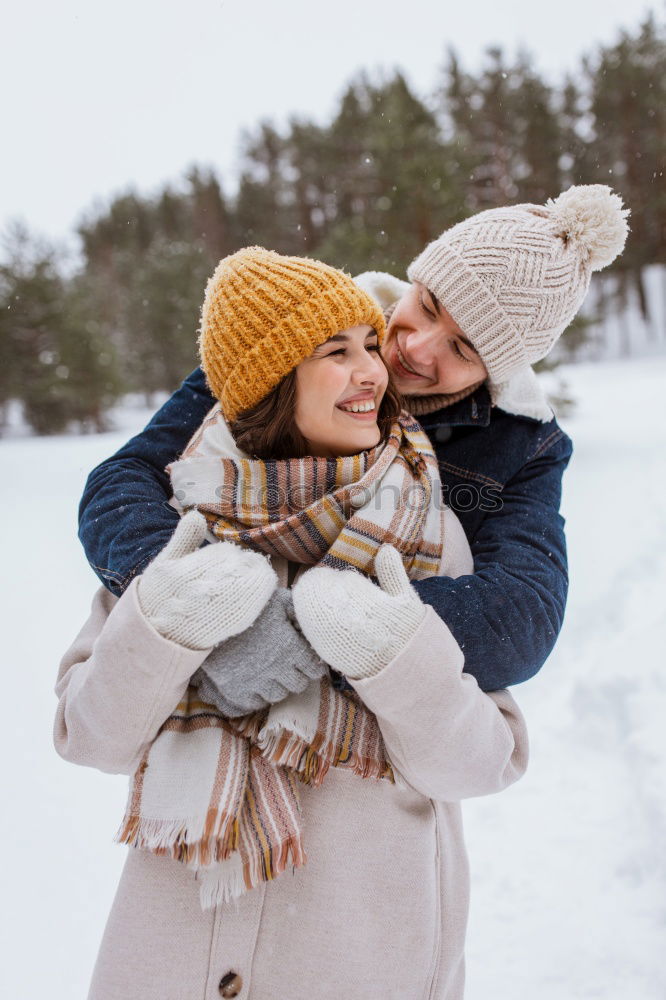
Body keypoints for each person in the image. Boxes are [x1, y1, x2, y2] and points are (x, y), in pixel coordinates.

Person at [54, 248, 528, 1000]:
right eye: (335, 353)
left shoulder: (430, 534)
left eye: (371, 344)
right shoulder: (184, 526)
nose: (374, 370)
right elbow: (90, 736)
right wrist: (169, 625)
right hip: (172, 966)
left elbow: (479, 763)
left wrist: (391, 654)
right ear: (273, 384)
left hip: (358, 961)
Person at [77, 184, 629, 691]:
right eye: (427, 307)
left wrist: (317, 633)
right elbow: (121, 485)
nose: (416, 348)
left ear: (496, 371)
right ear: (415, 280)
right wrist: (211, 611)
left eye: (463, 350)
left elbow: (521, 618)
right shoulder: (290, 335)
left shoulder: (523, 444)